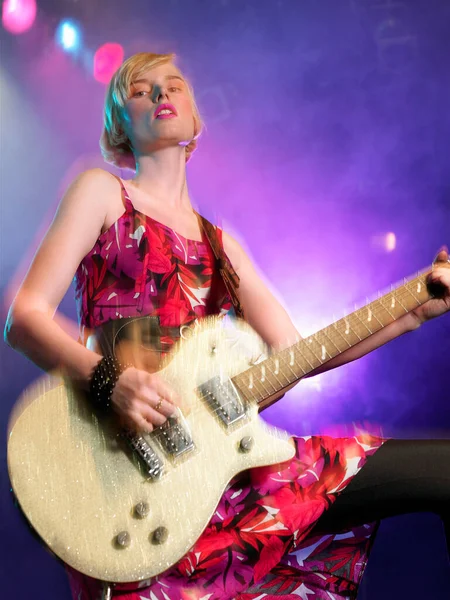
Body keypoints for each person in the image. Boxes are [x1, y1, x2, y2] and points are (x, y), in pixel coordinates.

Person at [4, 52, 450, 600]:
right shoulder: (102, 193)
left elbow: (298, 353)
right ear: (120, 124)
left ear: (196, 120)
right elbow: (24, 318)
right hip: (133, 487)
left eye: (174, 85)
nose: (161, 94)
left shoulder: (224, 246)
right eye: (141, 91)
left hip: (233, 481)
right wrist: (110, 380)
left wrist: (414, 309)